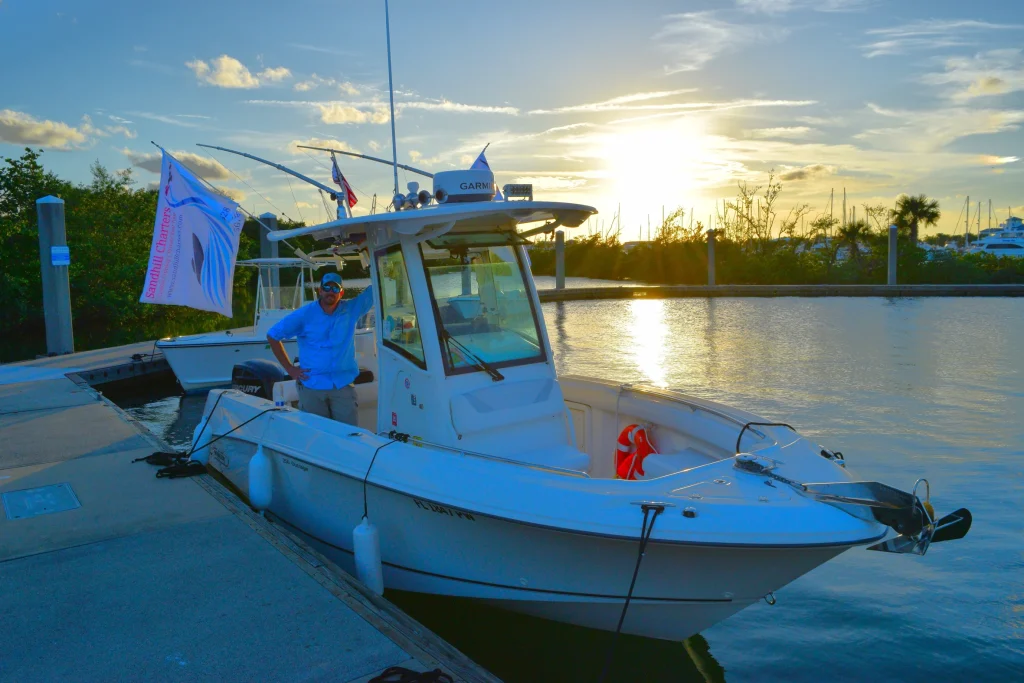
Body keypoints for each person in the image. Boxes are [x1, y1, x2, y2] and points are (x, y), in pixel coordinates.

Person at [266, 272, 374, 424]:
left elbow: (375, 289)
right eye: (327, 287)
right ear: (320, 290)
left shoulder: (351, 310)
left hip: (342, 385)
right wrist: (290, 369)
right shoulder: (304, 314)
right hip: (312, 386)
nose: (331, 291)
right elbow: (272, 335)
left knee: (349, 435)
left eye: (335, 288)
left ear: (341, 292)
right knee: (317, 435)